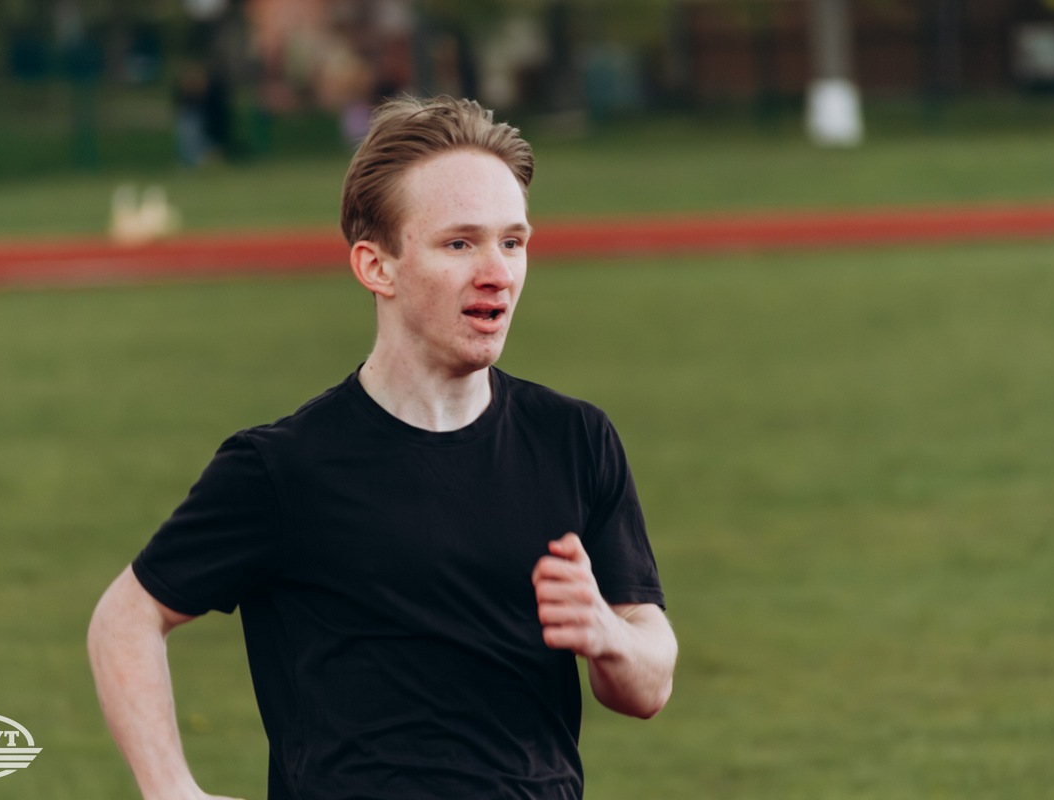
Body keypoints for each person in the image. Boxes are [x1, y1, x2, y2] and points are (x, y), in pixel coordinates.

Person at [87, 95, 677, 800]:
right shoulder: (284, 469)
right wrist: (171, 789)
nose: (496, 271)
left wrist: (607, 632)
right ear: (376, 267)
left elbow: (647, 686)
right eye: (459, 244)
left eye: (512, 242)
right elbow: (126, 617)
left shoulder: (575, 440)